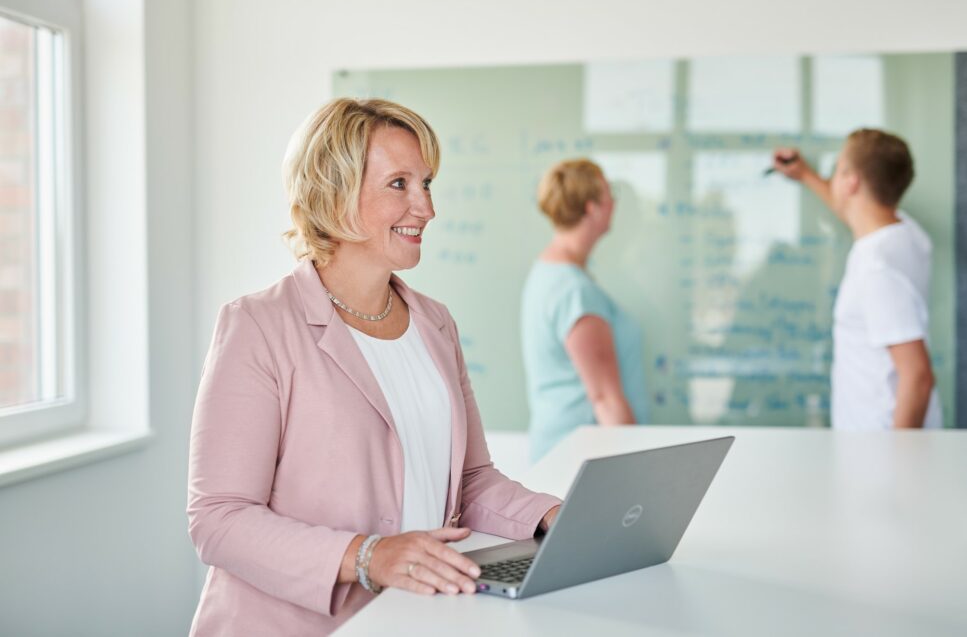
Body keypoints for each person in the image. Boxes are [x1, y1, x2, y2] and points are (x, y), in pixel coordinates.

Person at [187, 98, 562, 636]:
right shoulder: (258, 326)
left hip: (410, 620)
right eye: (399, 185)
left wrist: (553, 517)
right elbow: (219, 519)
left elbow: (472, 482)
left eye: (427, 184)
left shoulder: (435, 323)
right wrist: (368, 556)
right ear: (333, 190)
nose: (426, 208)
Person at [772, 129, 942, 430]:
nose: (832, 177)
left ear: (851, 182)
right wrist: (805, 175)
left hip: (881, 446)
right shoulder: (907, 233)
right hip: (878, 445)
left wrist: (901, 465)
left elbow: (918, 377)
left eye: (838, 169)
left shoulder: (876, 270)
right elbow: (854, 209)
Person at [521, 158, 650, 462]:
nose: (614, 203)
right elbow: (605, 399)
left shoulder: (550, 272)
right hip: (578, 462)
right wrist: (644, 475)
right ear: (592, 207)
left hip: (566, 455)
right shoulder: (575, 291)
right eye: (610, 193)